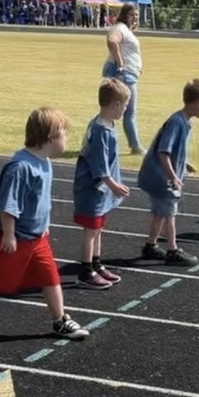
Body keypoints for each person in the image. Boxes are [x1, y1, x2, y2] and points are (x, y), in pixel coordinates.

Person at [0, 107, 88, 340]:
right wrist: (9, 234)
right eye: (64, 134)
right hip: (9, 236)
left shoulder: (44, 162)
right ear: (51, 137)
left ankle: (60, 320)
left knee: (50, 278)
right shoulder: (21, 167)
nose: (66, 139)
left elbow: (40, 201)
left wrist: (43, 225)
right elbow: (8, 206)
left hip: (36, 237)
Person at [138, 79, 199, 265]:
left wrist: (184, 163)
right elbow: (163, 151)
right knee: (170, 213)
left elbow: (173, 151)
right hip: (161, 177)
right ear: (197, 103)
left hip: (162, 176)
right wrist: (173, 176)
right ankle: (172, 250)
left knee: (161, 212)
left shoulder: (184, 121)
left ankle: (150, 246)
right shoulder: (177, 122)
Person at [73, 78, 131, 290]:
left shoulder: (106, 124)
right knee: (91, 230)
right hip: (94, 189)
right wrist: (113, 184)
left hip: (102, 190)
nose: (125, 111)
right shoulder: (100, 131)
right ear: (116, 105)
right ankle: (86, 271)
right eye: (124, 106)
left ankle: (96, 264)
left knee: (98, 228)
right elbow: (99, 164)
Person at [102, 2, 145, 155]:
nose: (135, 18)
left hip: (128, 74)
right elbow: (112, 40)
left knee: (116, 110)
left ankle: (134, 145)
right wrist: (120, 63)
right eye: (132, 15)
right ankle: (135, 146)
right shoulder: (120, 28)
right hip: (123, 74)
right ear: (124, 15)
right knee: (124, 111)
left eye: (137, 15)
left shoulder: (125, 30)